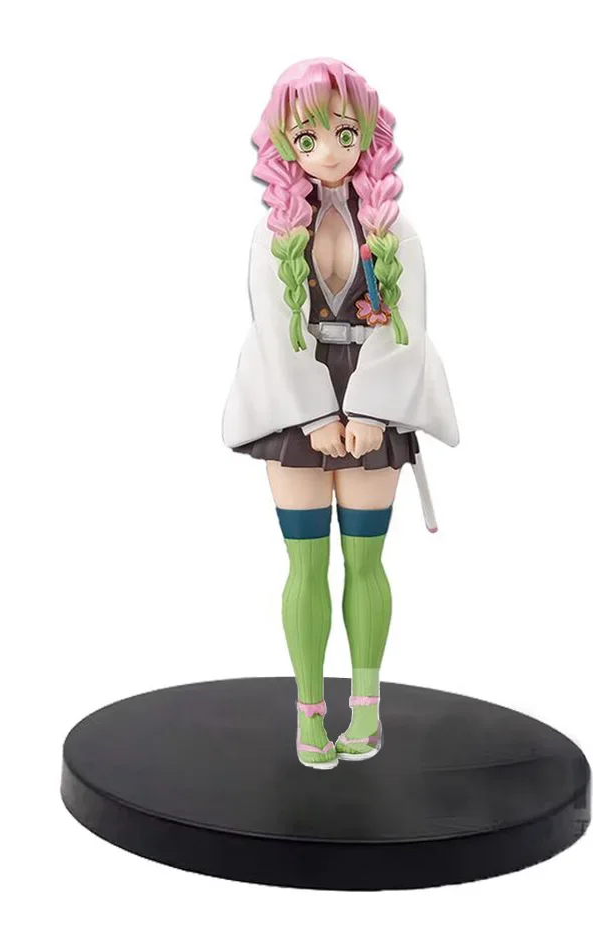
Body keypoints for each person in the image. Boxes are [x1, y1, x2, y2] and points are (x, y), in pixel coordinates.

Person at [222, 58, 458, 769]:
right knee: (305, 562)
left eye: (345, 133)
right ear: (284, 144)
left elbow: (408, 325)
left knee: (365, 559)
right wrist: (315, 414)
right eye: (309, 138)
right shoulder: (274, 234)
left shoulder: (395, 231)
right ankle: (308, 714)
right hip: (294, 406)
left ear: (368, 135)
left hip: (373, 400)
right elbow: (274, 330)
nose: (329, 151)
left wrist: (374, 411)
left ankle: (365, 709)